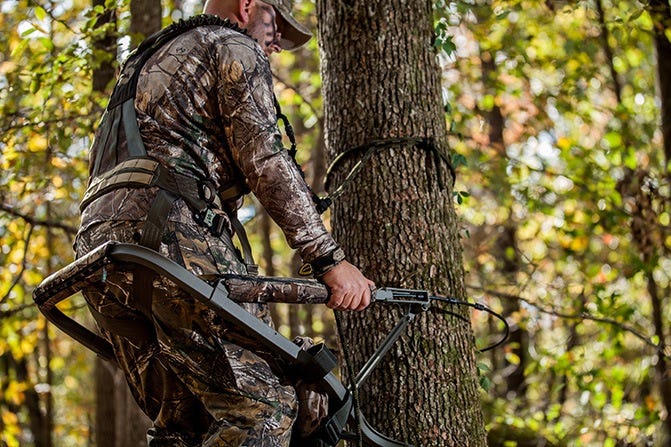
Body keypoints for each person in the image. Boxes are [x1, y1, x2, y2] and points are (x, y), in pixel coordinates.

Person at [74, 0, 375, 445]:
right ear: (248, 5)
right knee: (265, 412)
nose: (274, 47)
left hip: (98, 254)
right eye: (276, 30)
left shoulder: (149, 58)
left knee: (185, 424)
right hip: (166, 238)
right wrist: (329, 260)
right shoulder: (232, 44)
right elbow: (266, 160)